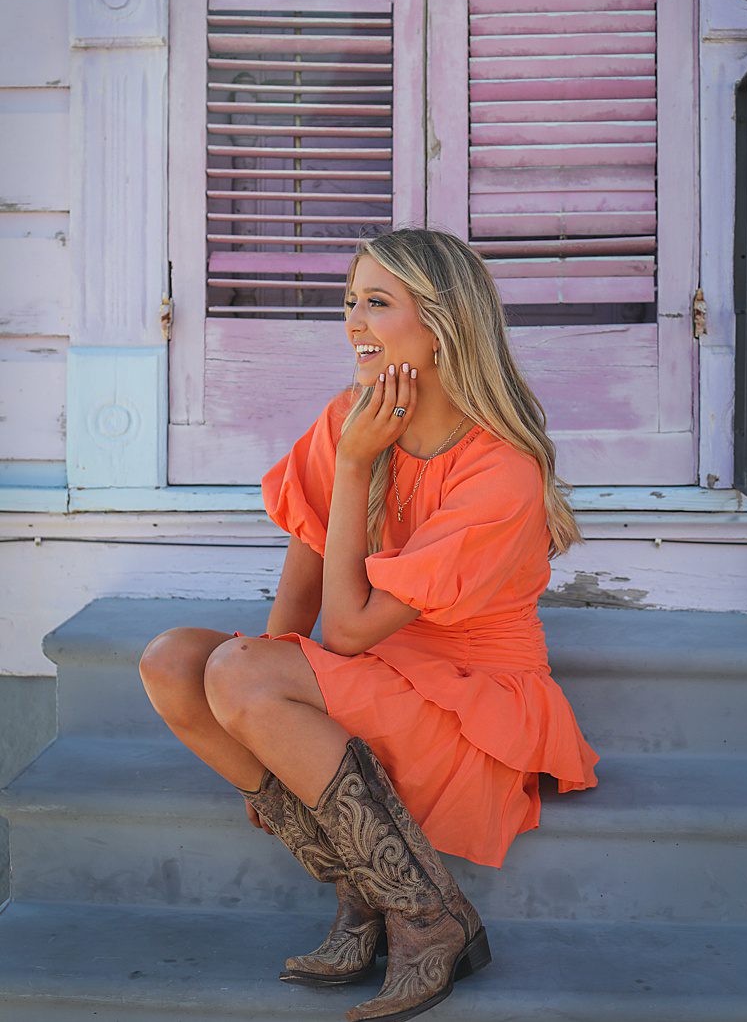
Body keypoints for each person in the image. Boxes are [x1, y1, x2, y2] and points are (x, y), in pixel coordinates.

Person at [139, 227, 600, 1022]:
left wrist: (356, 465)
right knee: (174, 660)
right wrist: (253, 720)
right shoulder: (348, 417)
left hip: (468, 706)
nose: (353, 320)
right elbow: (301, 592)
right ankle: (362, 885)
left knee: (238, 673)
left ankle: (430, 916)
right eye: (349, 301)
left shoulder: (501, 472)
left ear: (442, 323)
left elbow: (346, 631)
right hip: (381, 680)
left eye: (376, 303)